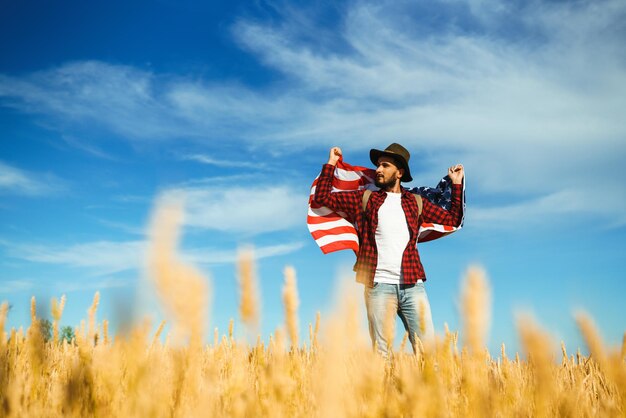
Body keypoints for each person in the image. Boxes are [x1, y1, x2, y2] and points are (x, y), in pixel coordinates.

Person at [314, 143, 464, 357]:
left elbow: (452, 219)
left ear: (399, 172)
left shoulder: (416, 202)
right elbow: (322, 198)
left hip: (413, 287)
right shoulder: (365, 199)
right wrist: (331, 164)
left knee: (429, 354)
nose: (378, 169)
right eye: (377, 166)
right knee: (381, 355)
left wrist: (456, 184)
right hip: (378, 286)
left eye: (385, 165)